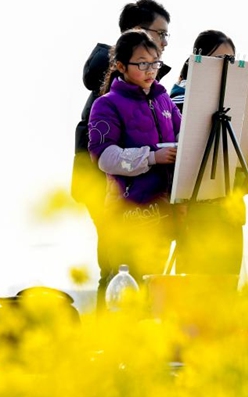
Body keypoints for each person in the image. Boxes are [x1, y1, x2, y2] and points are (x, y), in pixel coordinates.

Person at [72, 0, 172, 315]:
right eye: (161, 34)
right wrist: (153, 158)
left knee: (136, 273)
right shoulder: (110, 94)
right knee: (117, 272)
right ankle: (109, 348)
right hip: (112, 194)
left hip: (143, 197)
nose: (165, 43)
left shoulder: (156, 92)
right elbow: (103, 152)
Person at [88, 29, 182, 290]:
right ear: (120, 66)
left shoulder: (164, 100)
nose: (150, 70)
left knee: (154, 292)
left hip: (162, 215)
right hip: (127, 218)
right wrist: (152, 157)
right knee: (128, 293)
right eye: (142, 63)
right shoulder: (106, 104)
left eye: (154, 63)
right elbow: (105, 157)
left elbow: (185, 134)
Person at [169, 30, 245, 281]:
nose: (227, 66)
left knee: (228, 286)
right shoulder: (177, 99)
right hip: (196, 208)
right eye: (220, 59)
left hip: (228, 206)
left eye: (231, 60)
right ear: (198, 57)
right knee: (195, 287)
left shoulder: (238, 99)